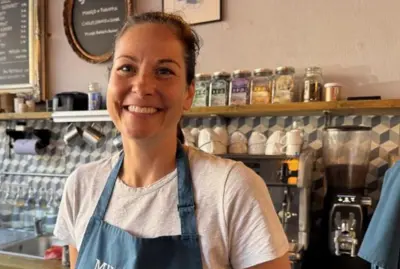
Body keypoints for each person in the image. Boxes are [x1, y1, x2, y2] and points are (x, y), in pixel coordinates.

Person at [54, 12, 290, 269]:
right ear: (109, 82)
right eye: (126, 68)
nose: (142, 86)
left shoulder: (231, 190)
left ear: (189, 94)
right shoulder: (82, 186)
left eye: (164, 71)